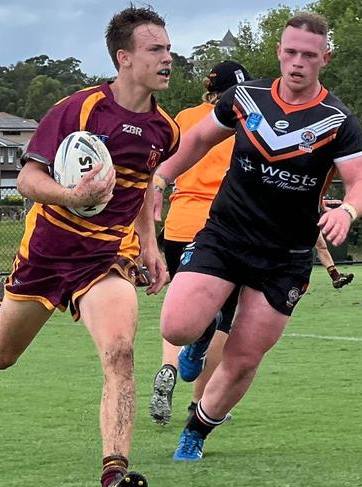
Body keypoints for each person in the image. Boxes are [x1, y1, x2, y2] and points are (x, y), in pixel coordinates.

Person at [0, 6, 178, 487]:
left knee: (120, 353)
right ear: (124, 58)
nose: (167, 58)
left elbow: (140, 184)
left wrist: (149, 243)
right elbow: (28, 179)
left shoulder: (166, 129)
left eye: (169, 48)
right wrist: (71, 195)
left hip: (105, 260)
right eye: (155, 49)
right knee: (1, 355)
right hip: (46, 256)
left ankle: (114, 472)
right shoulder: (78, 109)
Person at [152, 12, 362, 461]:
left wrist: (349, 210)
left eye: (308, 55)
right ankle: (201, 333)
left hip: (284, 257)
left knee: (243, 359)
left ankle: (195, 433)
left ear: (324, 58)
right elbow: (195, 142)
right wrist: (160, 178)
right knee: (175, 326)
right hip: (225, 236)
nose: (297, 62)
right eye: (290, 52)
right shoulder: (245, 99)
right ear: (278, 52)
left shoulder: (337, 120)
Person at [149, 61, 250, 427]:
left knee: (180, 307)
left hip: (179, 223)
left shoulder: (185, 117)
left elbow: (165, 162)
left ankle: (167, 367)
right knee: (222, 319)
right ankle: (199, 400)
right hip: (223, 226)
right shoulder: (244, 121)